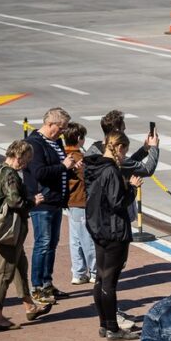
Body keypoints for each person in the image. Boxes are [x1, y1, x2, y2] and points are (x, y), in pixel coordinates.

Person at [84, 131, 142, 341]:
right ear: (118, 148)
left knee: (100, 278)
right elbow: (117, 202)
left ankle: (104, 323)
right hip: (114, 230)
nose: (125, 155)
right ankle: (113, 327)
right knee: (109, 281)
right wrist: (132, 188)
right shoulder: (111, 171)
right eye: (124, 150)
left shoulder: (94, 166)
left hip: (98, 228)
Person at [0, 141, 51, 331]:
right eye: (25, 160)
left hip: (9, 232)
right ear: (18, 156)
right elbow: (15, 201)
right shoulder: (10, 175)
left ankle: (29, 305)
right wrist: (32, 201)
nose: (26, 165)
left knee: (20, 267)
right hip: (10, 232)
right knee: (4, 273)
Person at [25, 107, 74, 304]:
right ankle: (37, 286)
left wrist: (68, 168)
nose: (62, 132)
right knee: (42, 244)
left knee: (52, 244)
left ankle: (47, 282)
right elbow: (38, 172)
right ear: (50, 124)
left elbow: (58, 168)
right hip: (42, 202)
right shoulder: (34, 144)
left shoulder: (56, 142)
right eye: (60, 128)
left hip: (55, 201)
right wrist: (63, 167)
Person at [62, 122, 95, 286]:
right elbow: (88, 179)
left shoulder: (63, 154)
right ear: (79, 138)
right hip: (81, 201)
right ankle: (94, 270)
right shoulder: (78, 158)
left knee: (75, 239)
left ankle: (79, 272)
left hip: (70, 202)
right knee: (87, 238)